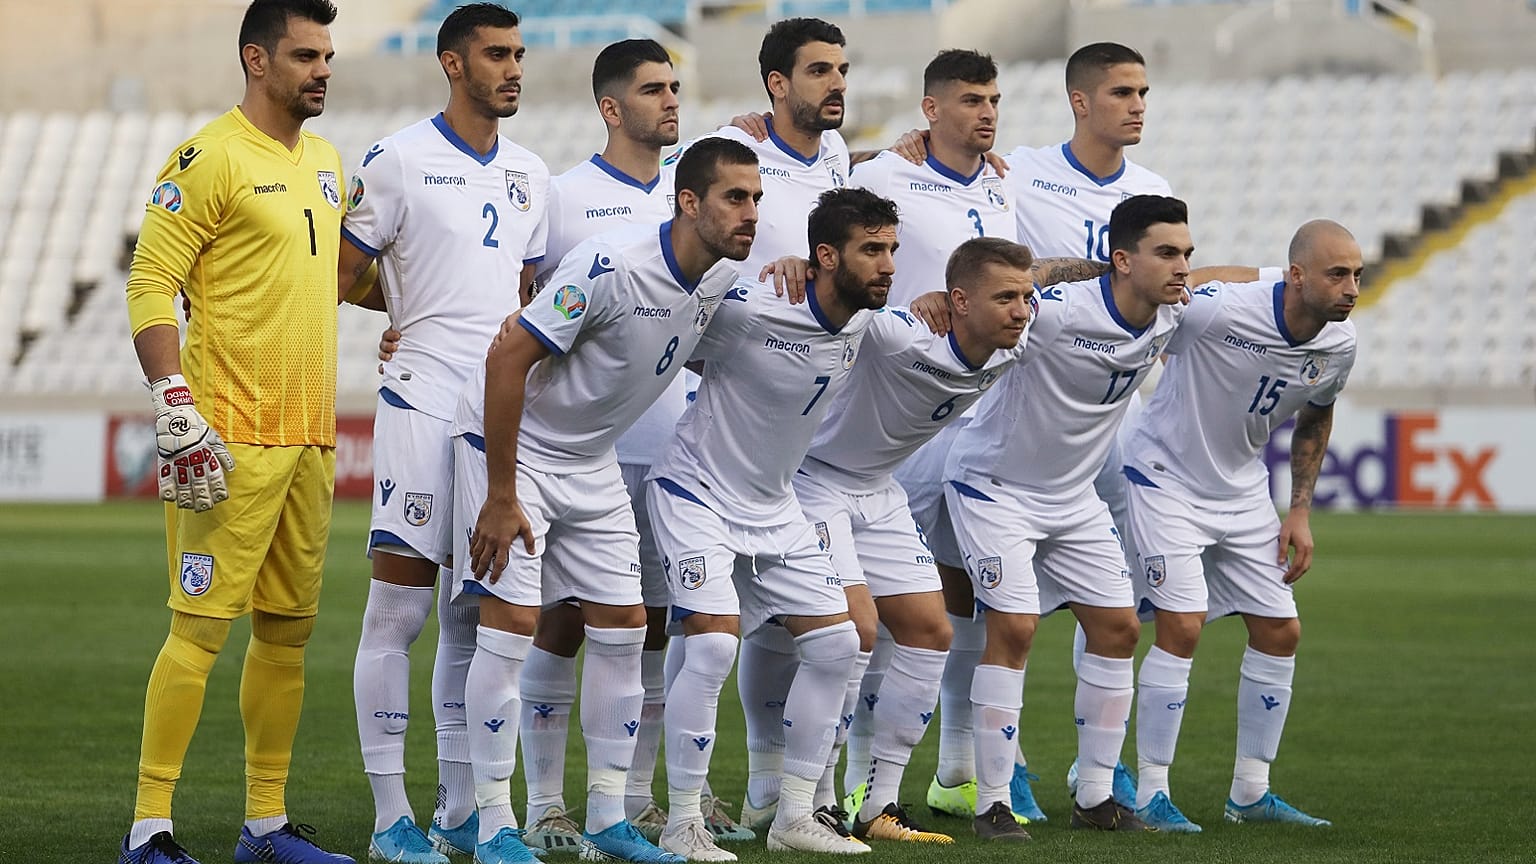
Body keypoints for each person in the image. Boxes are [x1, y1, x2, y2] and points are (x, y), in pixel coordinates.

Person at [452, 136, 761, 864]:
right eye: (735, 198)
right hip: (517, 449)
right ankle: (499, 824)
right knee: (513, 626)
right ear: (689, 202)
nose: (751, 214)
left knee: (625, 625)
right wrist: (500, 494)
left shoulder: (717, 279)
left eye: (756, 199)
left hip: (590, 459)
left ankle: (607, 820)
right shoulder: (611, 263)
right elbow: (508, 359)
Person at [899, 41, 1173, 817]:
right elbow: (934, 169)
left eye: (1144, 91)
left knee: (1120, 606)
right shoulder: (1016, 170)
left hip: (1110, 422)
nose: (1138, 104)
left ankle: (1103, 772)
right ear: (1080, 100)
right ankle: (984, 768)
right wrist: (895, 146)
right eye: (1122, 90)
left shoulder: (1155, 190)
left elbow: (1173, 284)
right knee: (978, 601)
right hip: (1012, 404)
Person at [118, 2, 352, 863]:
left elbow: (330, 272)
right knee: (200, 629)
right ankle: (148, 829)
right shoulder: (208, 156)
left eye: (328, 55)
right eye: (304, 55)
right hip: (229, 437)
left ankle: (263, 827)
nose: (323, 69)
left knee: (287, 633)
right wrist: (173, 398)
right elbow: (150, 281)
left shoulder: (328, 163)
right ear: (257, 59)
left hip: (310, 437)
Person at [938, 195, 1244, 837]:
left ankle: (1097, 797)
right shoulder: (1050, 314)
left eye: (1187, 253)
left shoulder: (1170, 316)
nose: (1183, 267)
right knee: (1014, 629)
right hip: (994, 486)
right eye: (1167, 253)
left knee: (1118, 630)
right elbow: (998, 301)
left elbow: (1235, 283)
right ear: (1122, 260)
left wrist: (1284, 272)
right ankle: (993, 800)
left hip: (1074, 498)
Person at [510, 40, 750, 853]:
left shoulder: (706, 206)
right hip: (572, 447)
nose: (671, 101)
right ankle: (543, 805)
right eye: (653, 89)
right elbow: (520, 310)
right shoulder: (565, 197)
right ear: (612, 108)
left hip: (671, 445)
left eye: (677, 87)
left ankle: (637, 802)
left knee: (648, 628)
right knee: (556, 622)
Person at [337, 6, 547, 862]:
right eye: (497, 55)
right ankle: (392, 818)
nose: (514, 69)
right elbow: (343, 276)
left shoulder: (533, 173)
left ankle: (463, 810)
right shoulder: (397, 159)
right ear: (452, 64)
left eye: (519, 55)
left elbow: (530, 299)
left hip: (497, 415)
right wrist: (410, 310)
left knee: (479, 616)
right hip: (422, 400)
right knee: (400, 608)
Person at [647, 186, 894, 859]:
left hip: (776, 508)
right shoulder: (754, 304)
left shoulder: (867, 321)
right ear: (824, 255)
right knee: (713, 647)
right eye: (872, 250)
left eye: (892, 249)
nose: (888, 264)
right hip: (694, 491)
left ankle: (793, 818)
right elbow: (661, 320)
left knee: (840, 646)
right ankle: (682, 823)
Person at [795, 237, 1042, 846]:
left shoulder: (1015, 340)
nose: (1021, 310)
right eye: (1005, 298)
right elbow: (839, 298)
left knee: (932, 632)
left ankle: (879, 805)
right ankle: (819, 801)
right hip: (812, 479)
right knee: (855, 633)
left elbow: (1052, 280)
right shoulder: (901, 333)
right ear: (958, 301)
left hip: (879, 489)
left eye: (1027, 297)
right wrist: (796, 267)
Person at [1121, 220, 1360, 831]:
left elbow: (1316, 418)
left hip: (1244, 490)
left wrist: (1299, 510)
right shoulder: (1222, 308)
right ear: (1296, 275)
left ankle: (1250, 793)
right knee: (1180, 625)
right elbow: (1158, 304)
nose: (1352, 288)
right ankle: (1149, 792)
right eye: (1337, 274)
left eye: (1357, 275)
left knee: (1281, 632)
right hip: (1163, 477)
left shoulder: (1339, 344)